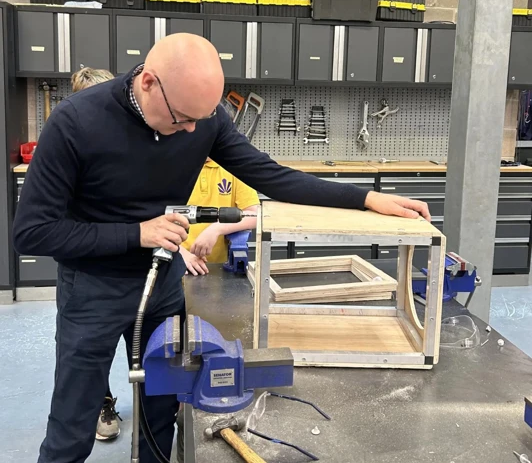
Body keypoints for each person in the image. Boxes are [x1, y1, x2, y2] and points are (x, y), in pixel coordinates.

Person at [14, 33, 430, 463]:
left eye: (203, 117)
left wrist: (365, 198)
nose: (193, 131)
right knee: (73, 424)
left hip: (163, 286)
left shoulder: (202, 118)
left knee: (162, 409)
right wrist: (136, 233)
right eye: (183, 119)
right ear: (149, 82)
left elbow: (270, 176)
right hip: (93, 290)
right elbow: (32, 232)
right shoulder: (75, 121)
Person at [70, 67, 122, 443]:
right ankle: (101, 401)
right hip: (87, 272)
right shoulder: (69, 142)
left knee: (143, 345)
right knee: (90, 353)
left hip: (133, 268)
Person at [180, 158, 260, 275]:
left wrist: (216, 229)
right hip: (173, 264)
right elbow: (151, 220)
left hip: (217, 271)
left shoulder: (235, 168)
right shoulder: (171, 167)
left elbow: (255, 214)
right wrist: (179, 253)